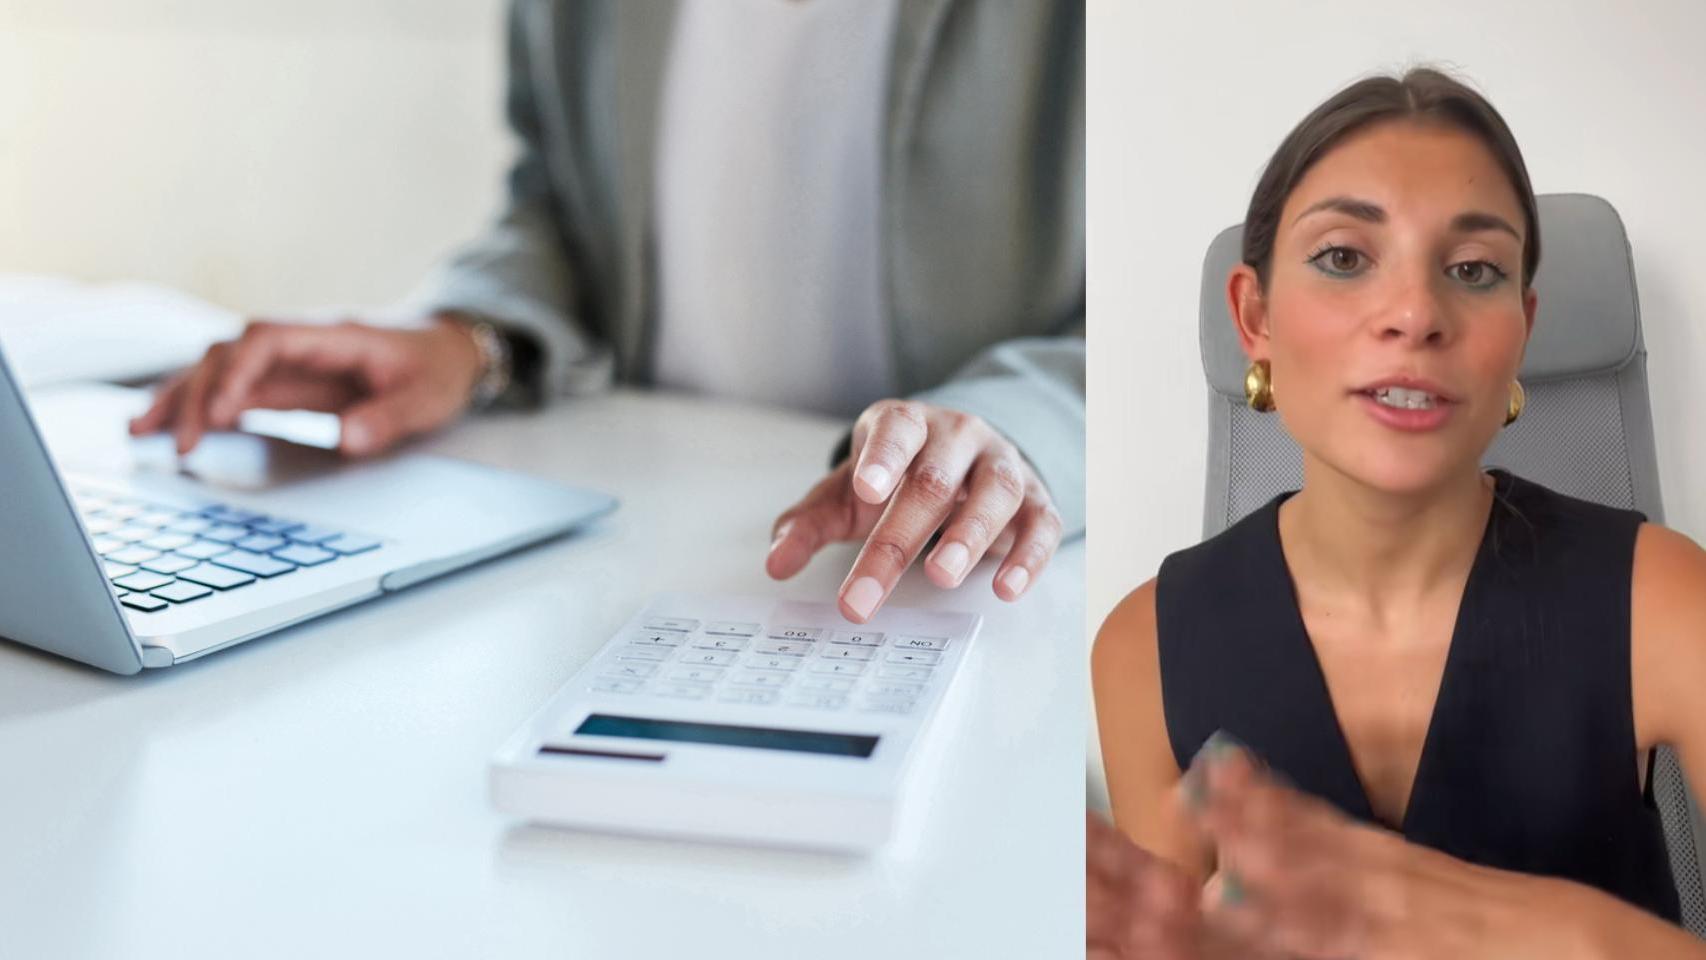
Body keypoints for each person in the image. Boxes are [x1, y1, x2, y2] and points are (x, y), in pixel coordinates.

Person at [128, 1, 1085, 625]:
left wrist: (1019, 428)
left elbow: (1175, 275)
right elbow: (557, 194)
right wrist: (469, 339)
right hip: (634, 546)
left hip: (949, 589)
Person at [1090, 68, 1706, 958]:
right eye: (1344, 257)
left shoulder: (1668, 599)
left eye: (1474, 270)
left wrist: (1551, 933)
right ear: (1254, 317)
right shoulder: (1142, 647)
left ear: (1521, 331)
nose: (1416, 313)